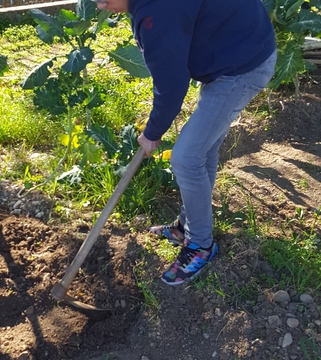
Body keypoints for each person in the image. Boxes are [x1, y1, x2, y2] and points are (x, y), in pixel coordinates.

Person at [94, 0, 277, 285]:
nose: (100, 5)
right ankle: (188, 226)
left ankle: (200, 245)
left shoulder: (157, 12)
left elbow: (171, 84)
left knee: (185, 157)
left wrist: (152, 132)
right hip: (239, 49)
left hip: (243, 65)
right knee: (201, 151)